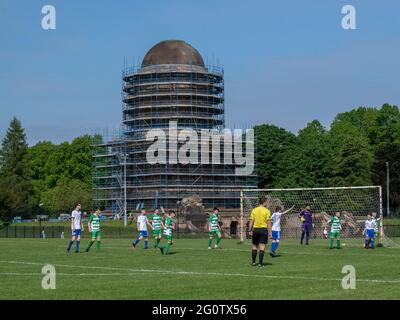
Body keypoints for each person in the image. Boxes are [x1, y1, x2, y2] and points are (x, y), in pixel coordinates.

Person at [249, 196, 271, 266]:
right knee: (262, 246)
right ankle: (260, 263)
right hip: (263, 230)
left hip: (255, 230)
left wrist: (249, 230)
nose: (267, 204)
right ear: (264, 202)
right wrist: (270, 232)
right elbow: (268, 222)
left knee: (254, 246)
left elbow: (251, 221)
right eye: (267, 202)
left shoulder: (254, 210)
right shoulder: (267, 211)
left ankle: (253, 262)